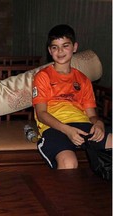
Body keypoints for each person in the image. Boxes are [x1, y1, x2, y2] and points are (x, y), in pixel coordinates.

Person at [32, 24, 112, 169]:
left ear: (74, 47)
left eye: (65, 46)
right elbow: (41, 113)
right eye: (55, 47)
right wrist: (67, 130)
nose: (60, 51)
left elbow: (91, 115)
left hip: (83, 125)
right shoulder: (43, 76)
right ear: (50, 51)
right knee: (69, 163)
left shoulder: (83, 79)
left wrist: (98, 123)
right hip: (54, 127)